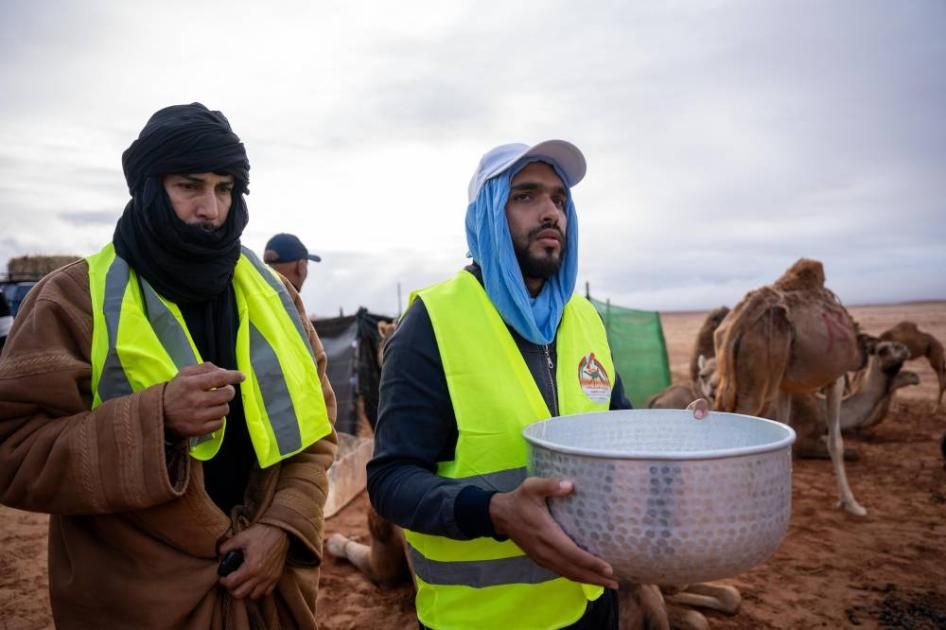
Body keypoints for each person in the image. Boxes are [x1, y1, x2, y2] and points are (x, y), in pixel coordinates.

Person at [0, 103, 338, 629]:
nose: (211, 208)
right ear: (150, 188)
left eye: (224, 188)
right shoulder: (69, 301)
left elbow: (316, 436)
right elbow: (12, 451)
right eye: (190, 186)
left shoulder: (277, 298)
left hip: (268, 598)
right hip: (135, 603)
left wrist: (282, 527)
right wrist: (154, 420)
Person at [369, 140, 698, 630]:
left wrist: (673, 443)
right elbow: (391, 480)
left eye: (560, 200)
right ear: (486, 214)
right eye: (526, 196)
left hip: (591, 604)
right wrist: (496, 512)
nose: (551, 213)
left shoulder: (583, 320)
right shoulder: (432, 323)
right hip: (481, 620)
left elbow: (619, 434)